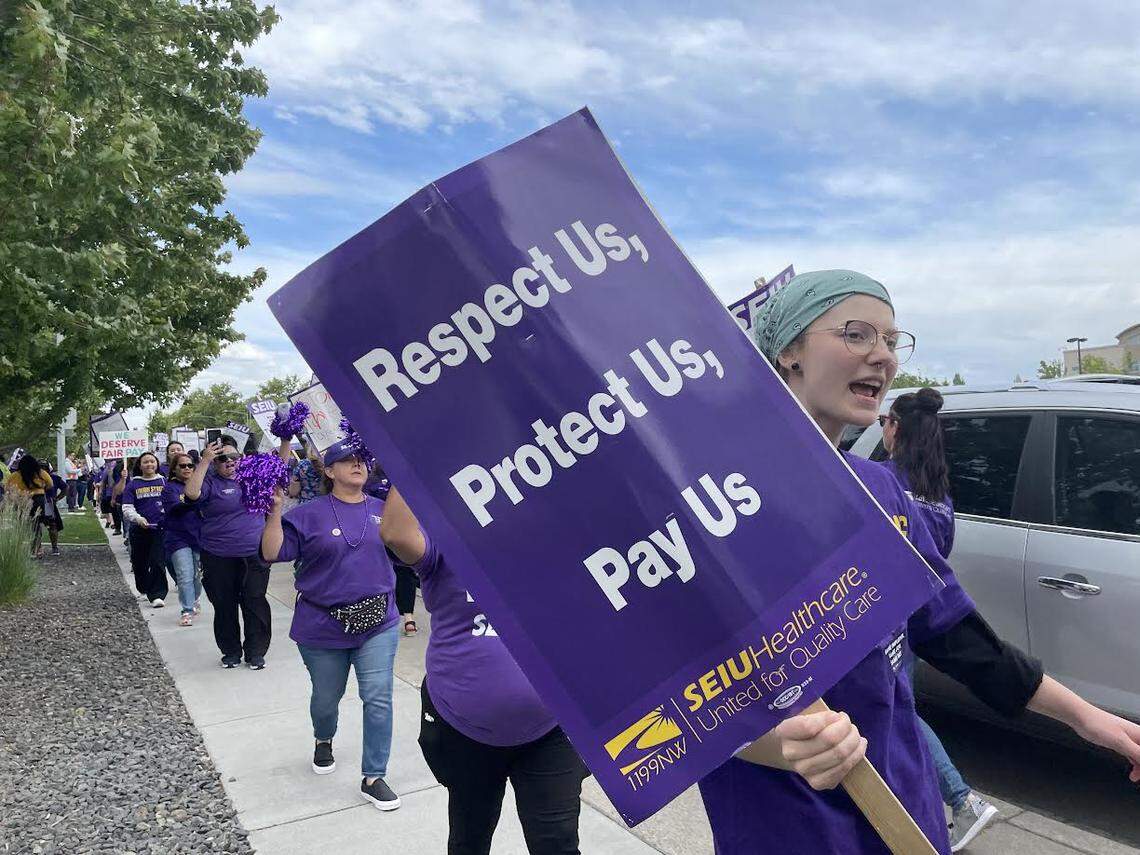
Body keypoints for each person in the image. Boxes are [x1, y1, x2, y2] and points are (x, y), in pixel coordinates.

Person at [696, 270, 1140, 854]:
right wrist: (769, 743)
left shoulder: (880, 490)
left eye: (891, 339)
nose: (882, 356)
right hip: (787, 821)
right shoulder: (709, 509)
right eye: (857, 334)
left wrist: (1090, 720)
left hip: (905, 803)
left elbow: (953, 633)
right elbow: (663, 696)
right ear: (789, 350)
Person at [381, 485, 589, 855]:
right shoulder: (446, 537)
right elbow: (396, 533)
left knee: (557, 842)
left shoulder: (559, 540)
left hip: (552, 729)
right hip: (463, 728)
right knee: (469, 839)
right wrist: (408, 444)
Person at [879, 387, 998, 850]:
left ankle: (961, 798)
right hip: (916, 620)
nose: (883, 429)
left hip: (880, 617)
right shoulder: (940, 497)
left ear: (897, 429)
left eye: (887, 422)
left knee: (897, 709)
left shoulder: (883, 480)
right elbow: (938, 561)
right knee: (897, 706)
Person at [261, 438, 402, 811]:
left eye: (362, 460)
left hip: (378, 622)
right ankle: (324, 738)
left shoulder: (384, 508)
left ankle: (374, 776)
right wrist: (274, 511)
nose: (358, 465)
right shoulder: (307, 513)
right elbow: (272, 552)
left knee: (378, 697)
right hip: (323, 625)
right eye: (348, 460)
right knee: (327, 699)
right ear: (328, 470)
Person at [185, 433, 291, 669]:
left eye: (233, 456)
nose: (229, 462)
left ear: (241, 457)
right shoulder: (210, 481)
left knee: (254, 600)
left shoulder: (253, 476)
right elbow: (191, 494)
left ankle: (256, 652)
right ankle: (230, 651)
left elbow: (280, 469)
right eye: (222, 458)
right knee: (224, 604)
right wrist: (204, 461)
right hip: (217, 554)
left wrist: (285, 438)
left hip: (254, 553)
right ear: (215, 462)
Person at [121, 452, 168, 607]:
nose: (149, 464)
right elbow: (127, 507)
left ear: (157, 464)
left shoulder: (163, 481)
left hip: (159, 530)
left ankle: (157, 594)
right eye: (145, 462)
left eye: (152, 461)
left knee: (157, 561)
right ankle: (143, 587)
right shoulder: (133, 484)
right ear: (140, 465)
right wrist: (138, 519)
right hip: (139, 530)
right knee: (139, 562)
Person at [162, 452, 203, 626]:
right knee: (184, 575)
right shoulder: (170, 488)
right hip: (177, 537)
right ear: (174, 469)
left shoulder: (203, 485)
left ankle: (194, 600)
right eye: (182, 466)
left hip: (199, 537)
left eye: (190, 465)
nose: (187, 468)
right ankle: (187, 610)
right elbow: (174, 508)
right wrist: (193, 501)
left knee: (197, 575)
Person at [4, 454, 60, 556]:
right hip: (39, 500)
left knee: (26, 525)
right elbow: (50, 484)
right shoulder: (41, 473)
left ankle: (32, 548)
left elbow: (7, 488)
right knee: (39, 525)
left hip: (22, 501)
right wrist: (42, 488)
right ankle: (43, 548)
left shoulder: (15, 475)